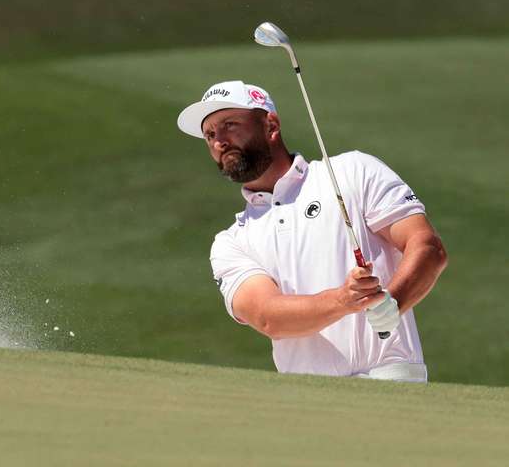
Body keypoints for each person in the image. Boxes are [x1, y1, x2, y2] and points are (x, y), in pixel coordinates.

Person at [177, 80, 447, 382]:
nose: (219, 141)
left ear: (271, 125)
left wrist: (393, 303)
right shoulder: (231, 242)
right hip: (307, 402)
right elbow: (268, 317)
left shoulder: (352, 172)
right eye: (209, 134)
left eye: (229, 124)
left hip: (392, 379)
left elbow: (426, 246)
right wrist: (343, 299)